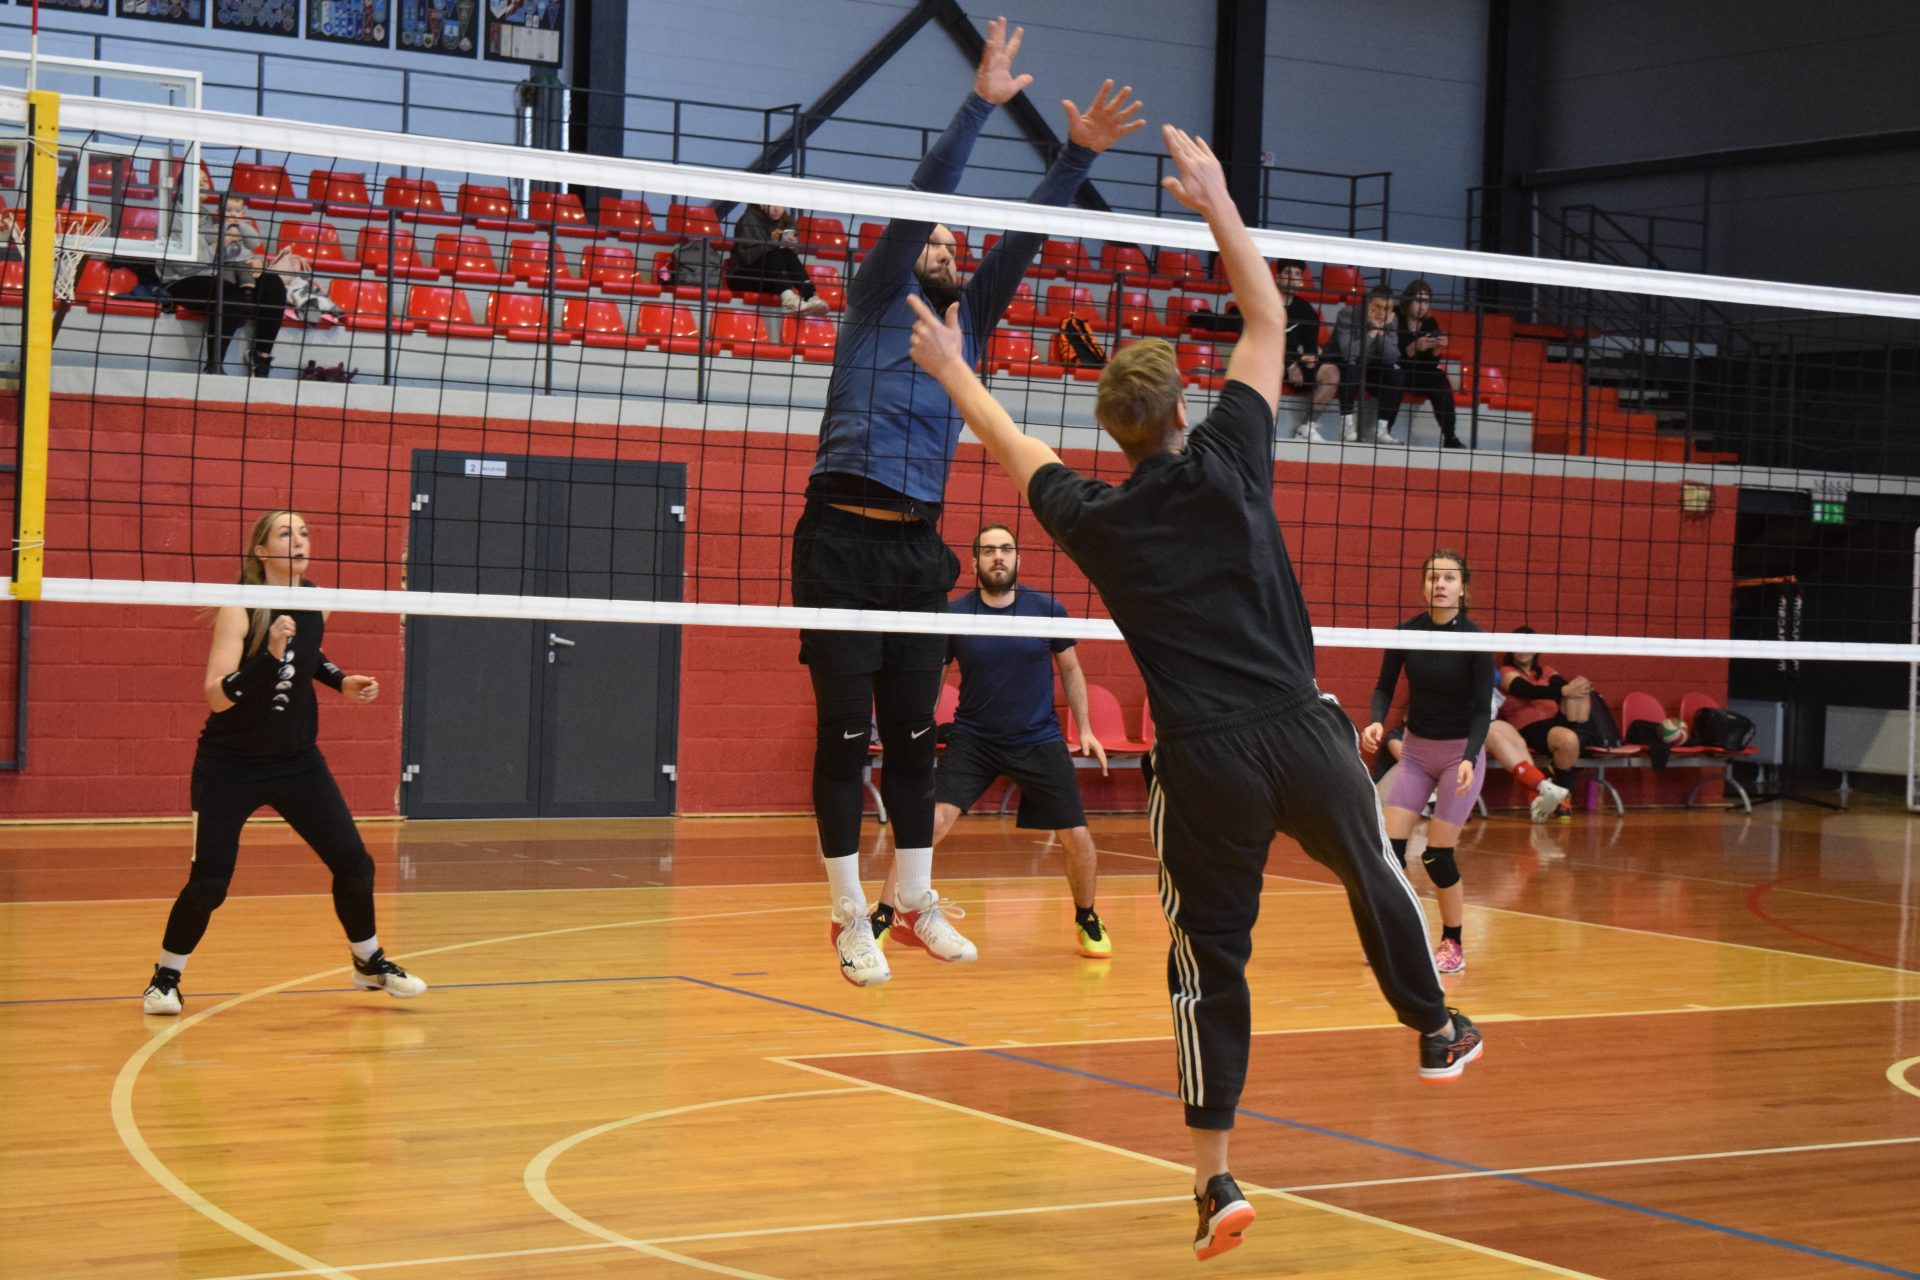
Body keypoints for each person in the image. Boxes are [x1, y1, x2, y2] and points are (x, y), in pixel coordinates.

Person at [905, 123, 1480, 1264]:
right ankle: (1434, 1026)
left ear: (1115, 434)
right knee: (1376, 868)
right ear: (1181, 410)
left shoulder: (1094, 519)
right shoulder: (1230, 457)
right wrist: (1216, 201)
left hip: (1204, 760)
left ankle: (1214, 1179)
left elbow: (1012, 446)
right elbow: (1267, 320)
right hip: (1301, 729)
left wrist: (953, 367)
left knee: (1208, 956)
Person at [792, 17, 1143, 989]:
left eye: (956, 245)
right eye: (937, 242)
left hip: (916, 550)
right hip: (839, 541)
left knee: (915, 735)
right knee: (845, 740)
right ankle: (847, 915)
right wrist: (981, 105)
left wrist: (1076, 155)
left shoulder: (970, 320)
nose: (947, 248)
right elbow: (924, 201)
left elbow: (1026, 238)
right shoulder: (877, 301)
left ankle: (912, 899)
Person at [141, 510, 426, 1016]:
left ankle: (368, 963)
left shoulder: (316, 601)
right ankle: (165, 979)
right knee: (210, 882)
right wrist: (269, 655)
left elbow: (309, 654)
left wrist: (340, 680)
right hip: (229, 767)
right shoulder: (240, 608)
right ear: (261, 550)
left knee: (354, 863)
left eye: (304, 533)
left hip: (297, 763)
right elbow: (216, 696)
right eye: (285, 533)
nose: (300, 541)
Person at [869, 523, 1114, 960]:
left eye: (1005, 549)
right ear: (976, 561)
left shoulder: (1047, 609)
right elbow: (936, 676)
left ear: (1018, 558)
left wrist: (1086, 729)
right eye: (988, 550)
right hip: (974, 739)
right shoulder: (956, 614)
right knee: (929, 823)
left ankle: (1087, 917)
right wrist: (917, 727)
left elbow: (1071, 669)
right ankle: (885, 914)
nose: (998, 556)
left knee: (1077, 835)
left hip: (1038, 739)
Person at [1361, 550, 1494, 975]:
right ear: (1423, 586)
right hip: (1416, 754)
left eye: (1449, 578)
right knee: (1390, 854)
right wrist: (1377, 720)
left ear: (1463, 588)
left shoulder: (1475, 640)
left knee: (1438, 857)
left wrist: (1470, 756)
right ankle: (1396, 939)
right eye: (1433, 577)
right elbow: (1383, 687)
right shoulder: (1407, 632)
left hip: (1459, 756)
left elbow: (1482, 711)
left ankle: (1453, 942)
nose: (1440, 584)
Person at [159, 190, 292, 377]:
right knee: (228, 291)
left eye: (205, 181)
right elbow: (183, 267)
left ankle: (261, 355)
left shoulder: (210, 218)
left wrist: (257, 261)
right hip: (185, 279)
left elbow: (242, 249)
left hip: (223, 273)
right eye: (200, 181)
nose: (204, 185)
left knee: (273, 283)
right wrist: (219, 245)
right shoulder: (175, 219)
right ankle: (214, 365)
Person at [1498, 627, 1600, 814]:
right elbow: (1526, 690)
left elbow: (1564, 686)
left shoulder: (1546, 671)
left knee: (1579, 694)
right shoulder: (1505, 671)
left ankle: (1563, 789)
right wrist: (1563, 691)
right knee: (1568, 739)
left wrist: (1578, 687)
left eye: (1528, 645)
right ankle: (1564, 795)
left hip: (1554, 723)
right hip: (1527, 728)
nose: (1523, 650)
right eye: (1518, 645)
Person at [1325, 284, 1401, 444]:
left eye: (1386, 308)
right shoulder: (1348, 314)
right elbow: (1349, 353)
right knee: (1352, 368)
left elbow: (1391, 357)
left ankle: (1382, 429)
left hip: (1371, 367)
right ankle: (1346, 426)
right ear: (1367, 303)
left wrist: (1381, 330)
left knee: (1396, 374)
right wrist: (1372, 331)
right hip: (1343, 363)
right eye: (1377, 307)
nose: (1381, 313)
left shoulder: (1392, 320)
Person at [1395, 279, 1465, 448]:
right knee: (1395, 375)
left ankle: (1450, 436)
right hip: (1398, 370)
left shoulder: (1430, 323)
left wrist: (1437, 349)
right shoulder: (1396, 317)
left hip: (1420, 373)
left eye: (1426, 302)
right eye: (1418, 301)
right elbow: (1392, 353)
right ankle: (1386, 431)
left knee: (1440, 378)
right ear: (1408, 300)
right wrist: (1414, 346)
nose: (1422, 307)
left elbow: (1431, 363)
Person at [1275, 260, 1340, 440]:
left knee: (1331, 373)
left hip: (1294, 360)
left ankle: (1307, 426)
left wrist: (1310, 358)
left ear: (1301, 281)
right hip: (1270, 359)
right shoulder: (1267, 302)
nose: (1292, 278)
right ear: (1277, 277)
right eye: (1288, 273)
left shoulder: (1306, 310)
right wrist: (1290, 364)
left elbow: (1310, 346)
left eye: (1297, 274)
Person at [726, 203, 829, 315]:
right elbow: (748, 256)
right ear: (762, 204)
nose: (776, 209)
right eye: (772, 205)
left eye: (780, 205)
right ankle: (789, 301)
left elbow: (791, 257)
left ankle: (811, 296)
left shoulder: (787, 221)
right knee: (774, 254)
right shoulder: (749, 219)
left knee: (788, 254)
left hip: (773, 277)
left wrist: (792, 245)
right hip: (743, 276)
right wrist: (772, 242)